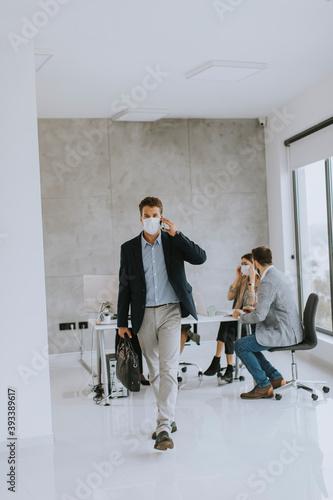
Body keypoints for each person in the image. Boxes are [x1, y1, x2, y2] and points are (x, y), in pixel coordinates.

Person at [117, 196, 206, 450]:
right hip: (143, 315)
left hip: (170, 312)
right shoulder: (129, 248)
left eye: (155, 215)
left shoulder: (173, 243)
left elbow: (200, 258)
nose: (151, 219)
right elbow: (124, 286)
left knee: (168, 368)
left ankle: (164, 426)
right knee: (154, 371)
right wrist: (122, 321)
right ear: (140, 218)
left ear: (162, 216)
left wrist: (177, 234)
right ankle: (168, 415)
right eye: (147, 215)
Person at [233, 246, 304, 399]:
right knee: (248, 344)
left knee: (240, 345)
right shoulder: (279, 275)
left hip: (283, 332)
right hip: (291, 329)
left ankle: (263, 385)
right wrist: (254, 311)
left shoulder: (268, 281)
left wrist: (240, 317)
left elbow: (260, 316)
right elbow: (271, 307)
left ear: (256, 262)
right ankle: (275, 377)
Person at [204, 253, 259, 381]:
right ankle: (229, 367)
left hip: (251, 323)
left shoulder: (259, 281)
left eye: (246, 264)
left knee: (227, 326)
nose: (243, 266)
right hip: (238, 320)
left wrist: (251, 281)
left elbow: (251, 303)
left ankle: (217, 360)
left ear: (253, 265)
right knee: (228, 325)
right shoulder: (243, 279)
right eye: (242, 264)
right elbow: (230, 296)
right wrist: (237, 278)